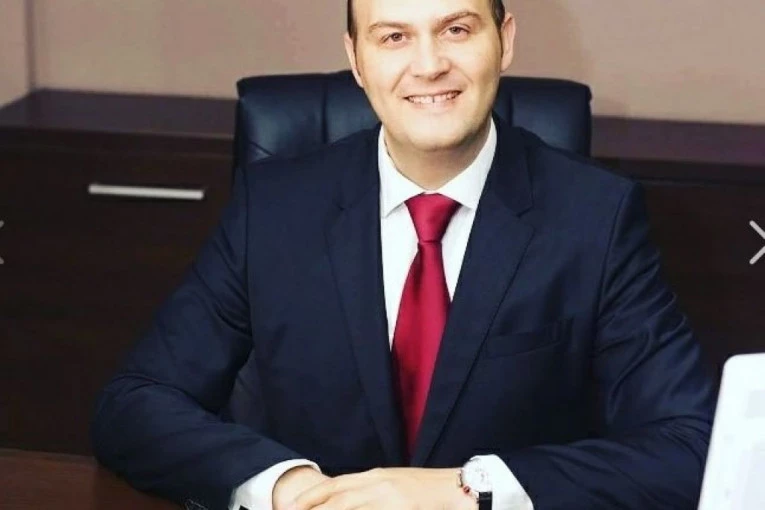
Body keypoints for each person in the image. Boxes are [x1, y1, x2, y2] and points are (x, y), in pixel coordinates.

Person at [91, 0, 716, 509]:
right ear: (356, 60)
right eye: (393, 37)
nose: (428, 65)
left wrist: (468, 491)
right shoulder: (273, 209)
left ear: (504, 40)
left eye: (456, 29)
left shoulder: (596, 218)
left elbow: (691, 446)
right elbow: (134, 404)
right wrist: (287, 487)